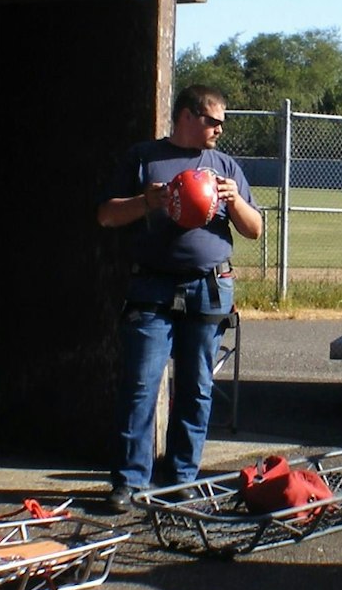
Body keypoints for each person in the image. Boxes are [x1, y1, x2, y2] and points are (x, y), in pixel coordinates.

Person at [96, 85, 263, 507]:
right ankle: (130, 482)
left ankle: (180, 478)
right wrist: (147, 201)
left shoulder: (225, 167)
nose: (220, 129)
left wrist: (234, 201)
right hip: (152, 288)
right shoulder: (143, 157)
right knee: (141, 384)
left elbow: (255, 229)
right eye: (213, 121)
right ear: (186, 116)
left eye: (223, 122)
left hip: (207, 287)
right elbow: (107, 215)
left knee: (197, 387)